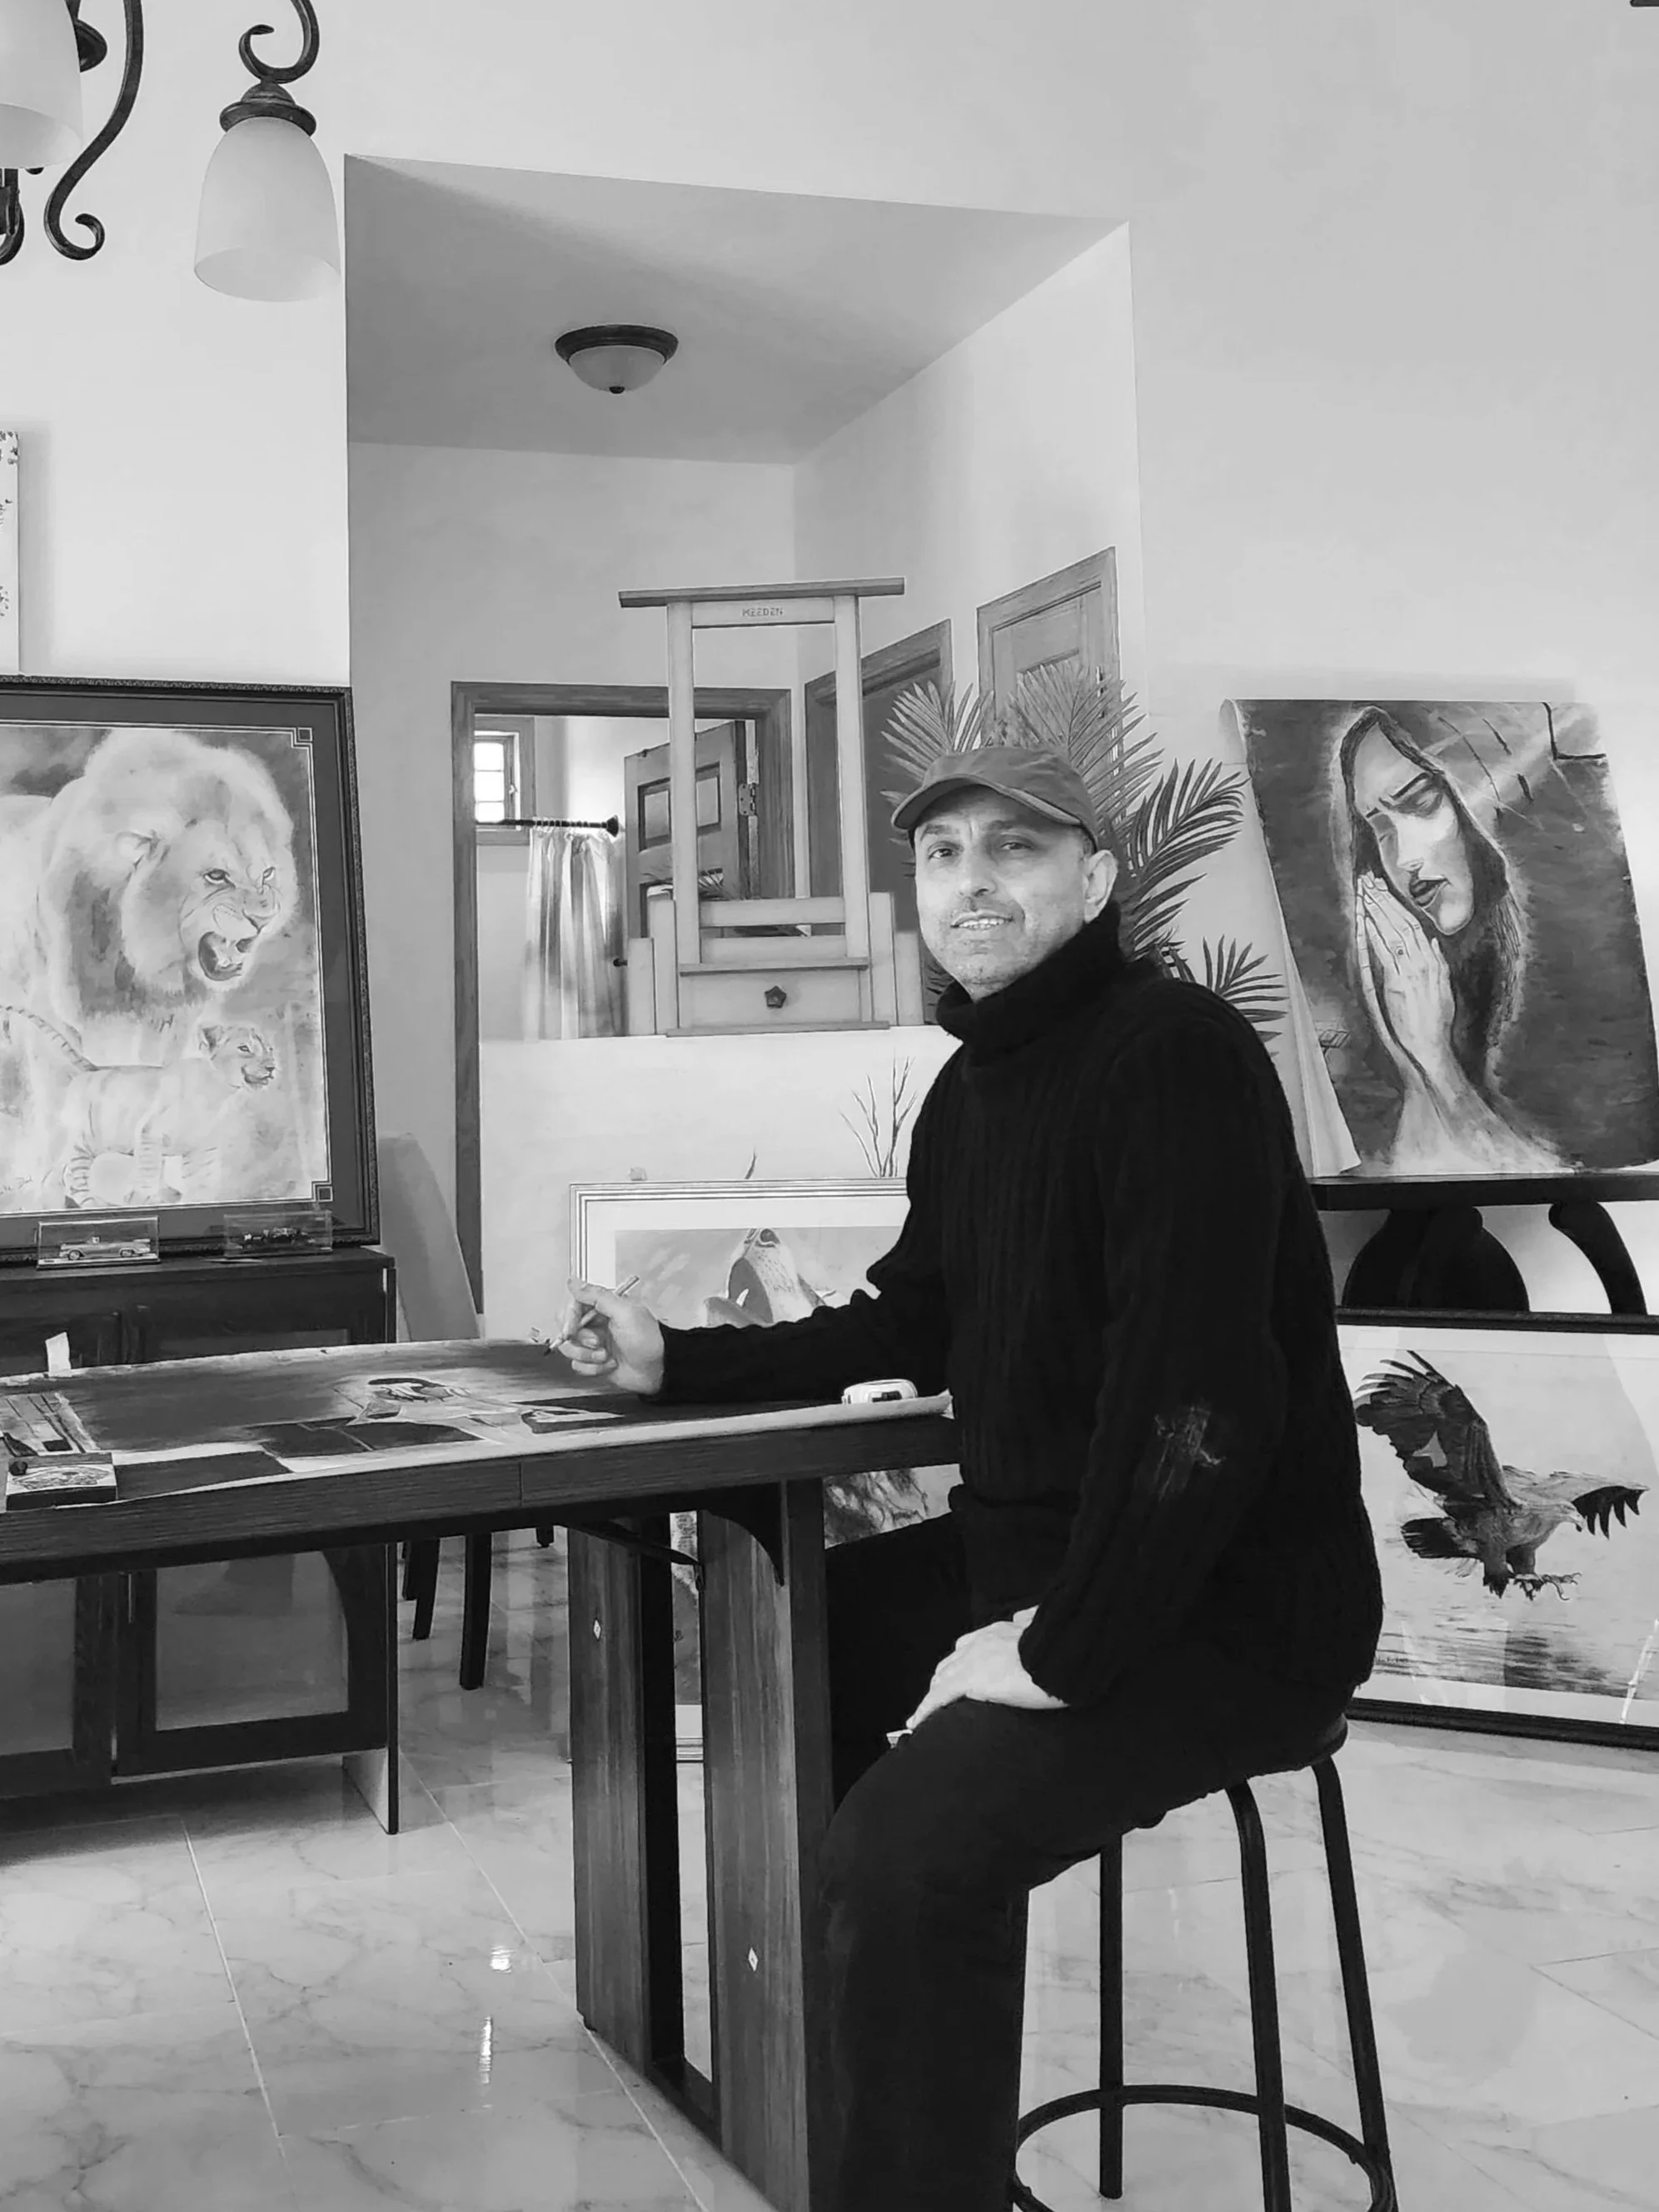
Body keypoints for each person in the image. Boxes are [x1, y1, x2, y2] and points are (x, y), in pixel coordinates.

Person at [559, 742, 1384, 2212]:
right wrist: (671, 1359)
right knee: (785, 1655)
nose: (970, 883)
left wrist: (1058, 1648)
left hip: (1229, 1608)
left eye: (1013, 848)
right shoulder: (973, 1088)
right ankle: (871, 2141)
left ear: (1096, 877)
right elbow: (907, 1320)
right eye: (942, 855)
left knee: (909, 1860)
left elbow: (1199, 1404)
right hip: (1040, 1557)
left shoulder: (1174, 1054)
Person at [1338, 705, 1567, 1173]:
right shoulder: (1428, 978)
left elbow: (1548, 1177)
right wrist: (1413, 1058)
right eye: (1379, 828)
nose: (1404, 859)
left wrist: (1435, 1061)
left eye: (1421, 803)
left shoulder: (1563, 987)